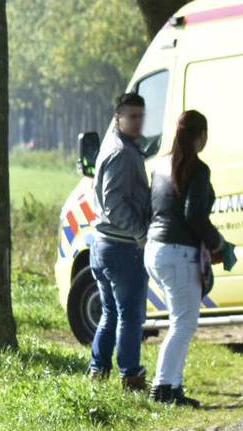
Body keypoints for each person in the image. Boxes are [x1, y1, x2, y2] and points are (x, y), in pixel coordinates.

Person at [144, 110, 222, 408]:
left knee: (180, 321)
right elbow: (194, 215)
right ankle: (163, 387)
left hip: (156, 249)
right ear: (200, 135)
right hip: (178, 253)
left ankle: (173, 387)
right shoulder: (198, 169)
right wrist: (217, 243)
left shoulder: (161, 165)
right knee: (183, 324)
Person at [89, 92, 153, 392]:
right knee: (130, 314)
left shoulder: (115, 145)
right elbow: (114, 204)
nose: (138, 122)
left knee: (110, 312)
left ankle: (98, 371)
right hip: (121, 246)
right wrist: (140, 233)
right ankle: (130, 377)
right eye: (132, 116)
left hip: (103, 245)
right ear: (118, 117)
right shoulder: (121, 152)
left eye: (141, 116)